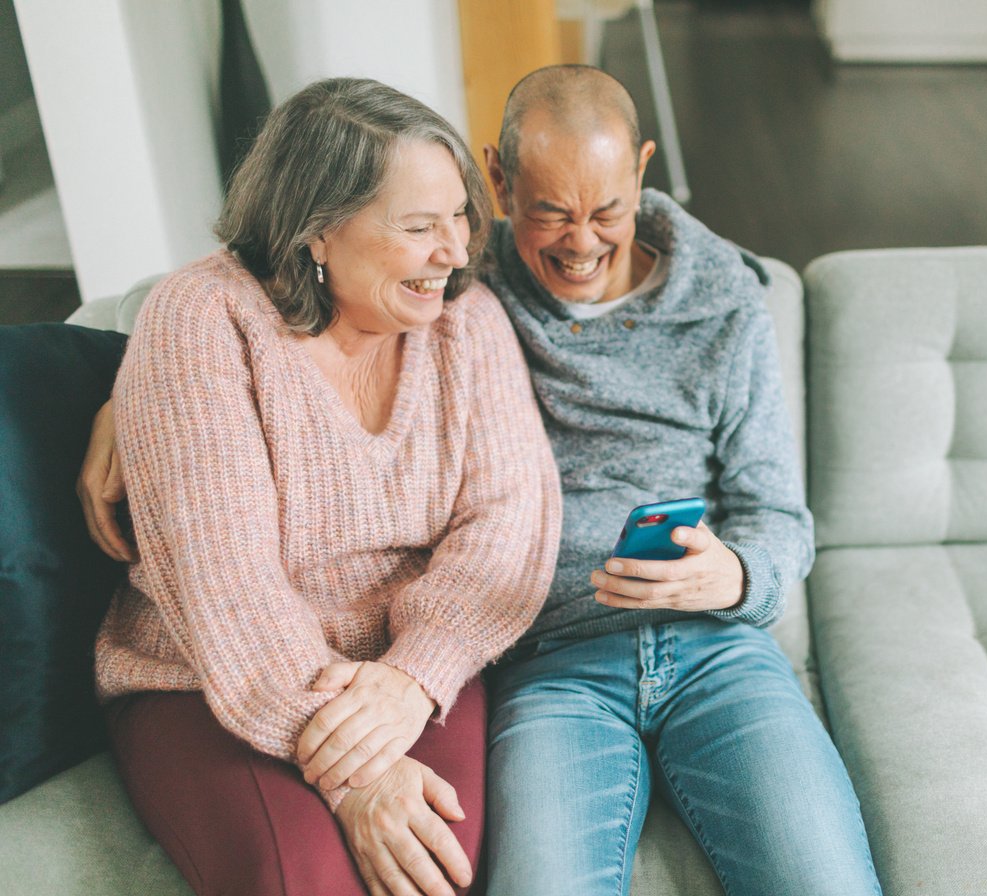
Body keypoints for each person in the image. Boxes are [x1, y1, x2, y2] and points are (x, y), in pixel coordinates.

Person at [80, 66, 881, 896]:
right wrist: (133, 398)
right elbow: (224, 541)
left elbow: (756, 512)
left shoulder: (682, 305)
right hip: (513, 655)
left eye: (607, 211)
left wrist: (738, 575)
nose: (579, 244)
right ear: (500, 181)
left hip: (643, 649)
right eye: (547, 212)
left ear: (642, 173)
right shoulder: (451, 285)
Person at [83, 77, 560, 896]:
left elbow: (509, 520)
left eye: (459, 217)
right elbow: (223, 579)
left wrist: (416, 676)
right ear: (318, 235)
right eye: (419, 227)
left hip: (406, 669)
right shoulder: (201, 321)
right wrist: (355, 773)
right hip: (207, 675)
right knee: (296, 880)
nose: (454, 251)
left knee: (438, 870)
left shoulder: (467, 320)